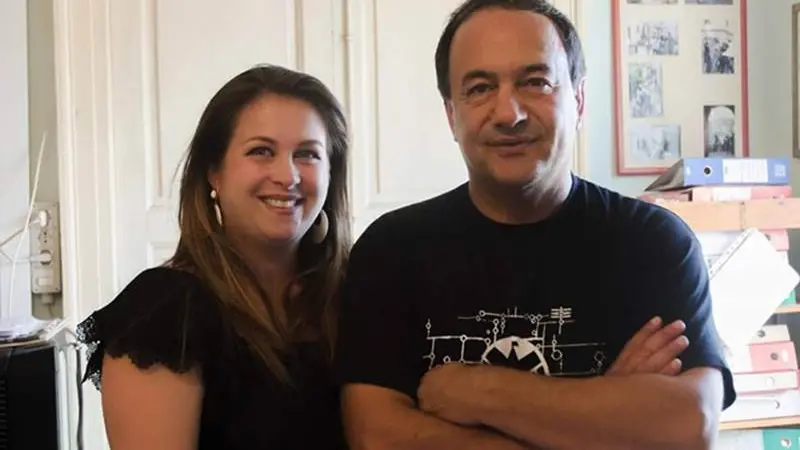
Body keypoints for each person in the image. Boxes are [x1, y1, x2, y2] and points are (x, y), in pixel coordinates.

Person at [334, 1, 735, 449]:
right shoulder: (391, 251)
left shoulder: (653, 244)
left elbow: (690, 426)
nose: (509, 114)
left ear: (578, 100)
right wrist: (603, 416)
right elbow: (377, 436)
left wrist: (480, 392)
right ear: (451, 114)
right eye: (480, 88)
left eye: (535, 82)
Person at [76, 64, 351, 449]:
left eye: (307, 154)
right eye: (261, 151)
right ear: (213, 173)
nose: (287, 176)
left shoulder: (354, 292)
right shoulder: (165, 312)